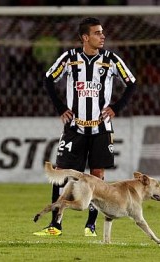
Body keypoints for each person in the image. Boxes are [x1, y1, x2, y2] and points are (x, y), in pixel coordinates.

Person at [33, 17, 136, 236]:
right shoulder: (70, 59)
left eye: (102, 32)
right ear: (85, 37)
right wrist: (61, 107)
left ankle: (90, 225)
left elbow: (131, 82)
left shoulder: (110, 60)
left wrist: (116, 107)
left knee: (96, 176)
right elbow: (48, 79)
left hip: (101, 129)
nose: (103, 36)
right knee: (62, 174)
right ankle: (55, 225)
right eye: (98, 33)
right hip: (75, 128)